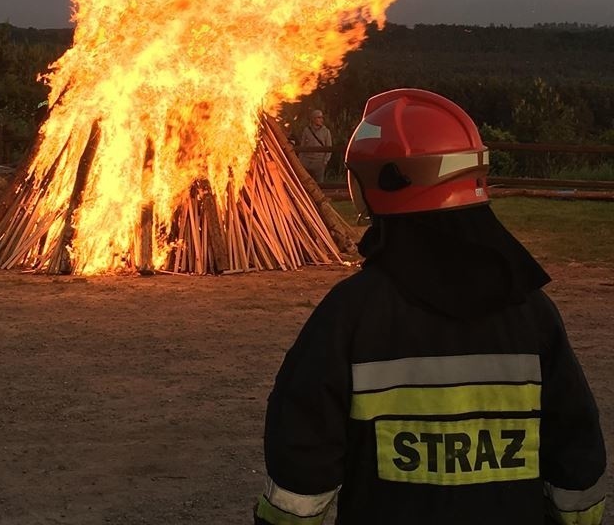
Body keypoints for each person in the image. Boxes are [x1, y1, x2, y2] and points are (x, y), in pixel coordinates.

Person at [255, 89, 606, 525]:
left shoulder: (349, 315)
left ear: (378, 186)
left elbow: (301, 465)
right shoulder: (534, 314)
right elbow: (577, 460)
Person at [297, 110, 332, 184]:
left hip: (319, 162)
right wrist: (301, 160)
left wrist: (325, 161)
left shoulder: (326, 131)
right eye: (319, 117)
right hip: (307, 162)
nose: (321, 119)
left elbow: (329, 148)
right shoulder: (307, 130)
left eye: (322, 117)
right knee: (306, 184)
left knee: (319, 184)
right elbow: (302, 146)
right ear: (313, 119)